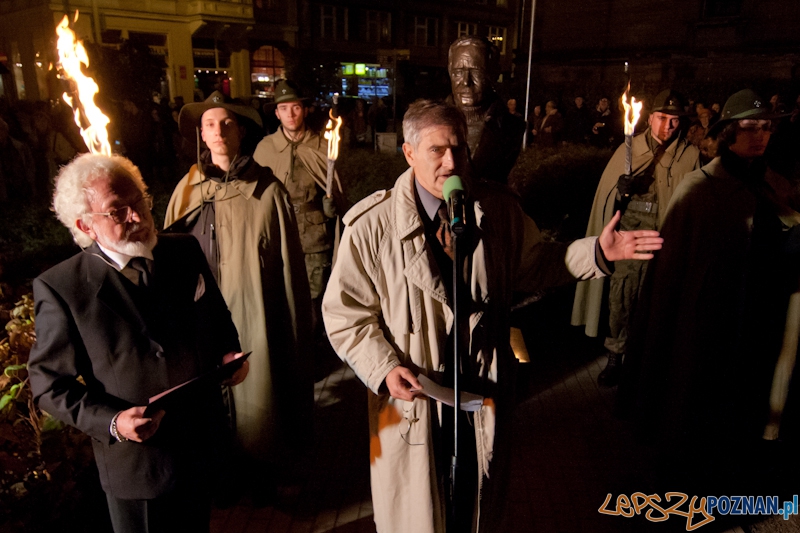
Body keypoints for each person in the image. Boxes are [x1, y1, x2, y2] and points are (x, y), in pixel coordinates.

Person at [322, 99, 663, 533]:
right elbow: (344, 315)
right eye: (437, 151)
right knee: (418, 513)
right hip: (414, 402)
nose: (451, 162)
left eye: (460, 149)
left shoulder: (497, 210)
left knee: (475, 505)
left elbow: (537, 263)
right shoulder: (371, 226)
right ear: (409, 154)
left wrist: (596, 252)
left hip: (480, 394)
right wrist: (384, 368)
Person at [27, 153, 248, 533]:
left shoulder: (183, 251)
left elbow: (217, 320)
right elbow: (48, 386)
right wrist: (113, 422)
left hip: (201, 445)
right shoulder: (62, 288)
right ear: (85, 225)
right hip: (138, 465)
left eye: (140, 203)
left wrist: (229, 355)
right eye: (117, 211)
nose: (137, 217)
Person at [620, 89, 799, 495]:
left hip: (757, 321)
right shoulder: (698, 190)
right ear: (727, 132)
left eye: (766, 127)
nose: (760, 135)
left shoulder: (774, 184)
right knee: (693, 408)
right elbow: (669, 278)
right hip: (706, 326)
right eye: (749, 127)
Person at [164, 91, 313, 501]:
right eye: (209, 124)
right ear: (200, 133)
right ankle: (219, 475)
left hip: (254, 312)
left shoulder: (268, 192)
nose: (218, 131)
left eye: (226, 122)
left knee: (259, 397)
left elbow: (289, 272)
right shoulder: (187, 191)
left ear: (242, 130)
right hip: (202, 318)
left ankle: (267, 470)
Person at [572, 89, 700, 387]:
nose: (668, 126)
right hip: (629, 237)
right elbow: (607, 204)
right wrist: (620, 190)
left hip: (665, 239)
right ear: (650, 118)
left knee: (657, 300)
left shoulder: (689, 156)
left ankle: (645, 359)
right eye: (661, 118)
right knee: (622, 297)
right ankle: (616, 355)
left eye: (675, 120)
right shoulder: (627, 150)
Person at [253, 79, 345, 370]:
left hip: (314, 240)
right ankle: (287, 357)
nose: (290, 114)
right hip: (277, 238)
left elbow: (337, 192)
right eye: (283, 108)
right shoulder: (265, 149)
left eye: (295, 107)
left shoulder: (322, 145)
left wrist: (332, 208)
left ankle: (312, 359)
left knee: (313, 303)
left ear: (304, 110)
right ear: (276, 114)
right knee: (281, 300)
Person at [447, 36, 525, 184]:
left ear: (494, 73)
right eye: (458, 72)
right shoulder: (430, 123)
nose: (466, 81)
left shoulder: (512, 126)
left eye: (476, 72)